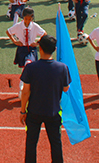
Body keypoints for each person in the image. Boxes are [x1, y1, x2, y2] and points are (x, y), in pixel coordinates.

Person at [20, 35, 71, 163]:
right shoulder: (62, 68)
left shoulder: (31, 68)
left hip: (34, 112)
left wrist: (23, 111)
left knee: (31, 143)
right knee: (56, 143)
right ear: (54, 49)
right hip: (53, 111)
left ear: (40, 48)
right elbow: (66, 89)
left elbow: (25, 92)